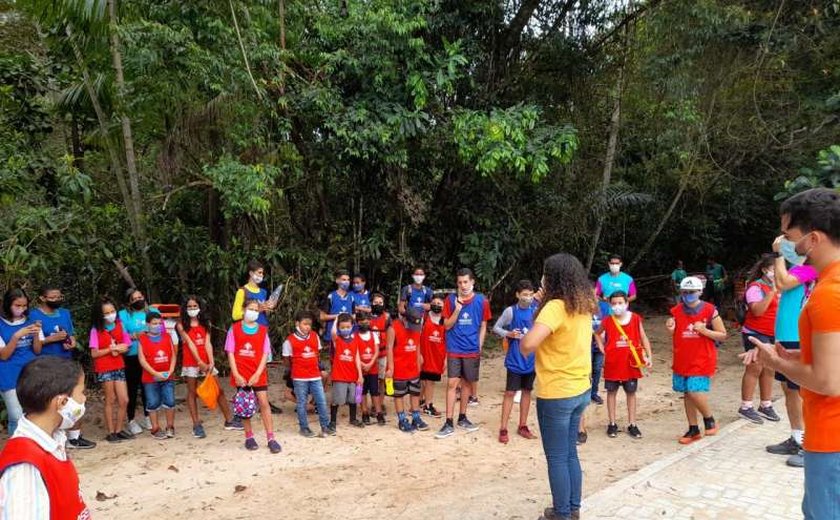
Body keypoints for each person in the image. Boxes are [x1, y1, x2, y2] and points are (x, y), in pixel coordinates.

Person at [743, 188, 840, 520]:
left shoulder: (830, 292)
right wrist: (801, 356)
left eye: (789, 236)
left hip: (832, 435)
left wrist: (776, 362)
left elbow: (829, 382)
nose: (786, 244)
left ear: (813, 239)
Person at [520, 253, 597, 520]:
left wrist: (541, 309)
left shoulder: (555, 307)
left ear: (551, 279)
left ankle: (562, 514)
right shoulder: (583, 304)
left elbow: (528, 344)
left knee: (556, 457)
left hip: (557, 391)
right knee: (570, 453)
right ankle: (572, 509)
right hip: (580, 389)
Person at [0, 356, 91, 519]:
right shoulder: (24, 468)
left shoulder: (53, 441)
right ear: (62, 402)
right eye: (81, 393)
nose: (84, 399)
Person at [764, 234, 818, 468]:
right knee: (789, 390)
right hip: (786, 337)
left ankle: (812, 445)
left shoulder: (809, 269)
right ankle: (797, 437)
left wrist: (777, 254)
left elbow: (782, 283)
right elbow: (780, 283)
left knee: (802, 393)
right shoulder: (796, 269)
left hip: (798, 337)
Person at [30, 285, 95, 450]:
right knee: (52, 402)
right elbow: (35, 344)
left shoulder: (65, 313)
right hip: (46, 364)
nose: (57, 300)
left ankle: (75, 437)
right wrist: (51, 339)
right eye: (53, 297)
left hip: (66, 360)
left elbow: (70, 334)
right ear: (42, 298)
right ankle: (52, 437)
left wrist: (71, 342)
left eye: (59, 296)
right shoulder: (34, 315)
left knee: (75, 397)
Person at [667, 276, 727, 445]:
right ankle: (693, 428)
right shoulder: (676, 311)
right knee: (687, 393)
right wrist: (671, 329)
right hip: (682, 358)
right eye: (684, 292)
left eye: (692, 292)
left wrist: (704, 330)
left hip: (702, 358)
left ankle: (709, 419)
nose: (688, 296)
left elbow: (723, 335)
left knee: (694, 390)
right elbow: (676, 333)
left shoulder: (710, 310)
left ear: (700, 292)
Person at [435, 268, 490, 439]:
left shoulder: (482, 301)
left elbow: (483, 325)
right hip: (454, 348)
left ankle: (463, 417)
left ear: (472, 282)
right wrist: (457, 309)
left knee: (467, 383)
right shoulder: (450, 300)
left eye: (466, 282)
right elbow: (446, 326)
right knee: (452, 383)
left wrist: (479, 346)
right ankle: (448, 421)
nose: (463, 285)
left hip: (471, 349)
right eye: (460, 282)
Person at [176, 296, 239, 438]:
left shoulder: (206, 323)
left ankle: (229, 420)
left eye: (195, 306)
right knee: (192, 393)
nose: (192, 309)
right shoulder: (181, 325)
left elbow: (207, 343)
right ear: (185, 309)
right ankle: (196, 424)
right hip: (191, 363)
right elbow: (190, 344)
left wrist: (211, 363)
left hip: (207, 362)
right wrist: (199, 362)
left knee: (219, 390)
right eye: (190, 307)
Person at [226, 299, 281, 454]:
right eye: (250, 309)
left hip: (258, 373)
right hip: (241, 373)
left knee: (264, 403)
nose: (253, 312)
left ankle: (271, 438)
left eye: (256, 310)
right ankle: (249, 436)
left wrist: (257, 373)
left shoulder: (263, 330)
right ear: (243, 310)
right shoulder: (234, 329)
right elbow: (230, 352)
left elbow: (265, 353)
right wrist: (236, 374)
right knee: (245, 404)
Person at [595, 291, 652, 439]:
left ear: (627, 303)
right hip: (613, 363)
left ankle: (632, 423)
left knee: (631, 393)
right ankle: (612, 423)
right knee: (611, 393)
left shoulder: (635, 319)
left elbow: (643, 337)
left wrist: (649, 355)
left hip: (630, 363)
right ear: (609, 305)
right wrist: (602, 348)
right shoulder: (607, 320)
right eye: (614, 303)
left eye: (620, 303)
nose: (617, 306)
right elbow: (597, 333)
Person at [493, 280, 539, 444]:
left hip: (531, 360)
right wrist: (509, 334)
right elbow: (496, 328)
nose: (527, 297)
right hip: (515, 360)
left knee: (527, 392)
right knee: (510, 393)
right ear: (518, 295)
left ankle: (523, 425)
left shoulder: (537, 311)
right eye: (524, 294)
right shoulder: (511, 311)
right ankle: (503, 428)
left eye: (530, 294)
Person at [738, 254, 781, 424]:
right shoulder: (755, 288)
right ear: (765, 270)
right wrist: (772, 292)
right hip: (755, 332)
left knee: (769, 369)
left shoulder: (780, 288)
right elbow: (757, 311)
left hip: (772, 333)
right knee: (754, 368)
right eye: (774, 270)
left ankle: (766, 404)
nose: (778, 273)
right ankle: (746, 406)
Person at [281, 310, 332, 437]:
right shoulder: (289, 341)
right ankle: (304, 428)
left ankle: (325, 426)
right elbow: (287, 360)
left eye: (309, 324)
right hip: (299, 377)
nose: (307, 327)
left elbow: (317, 355)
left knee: (321, 401)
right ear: (297, 324)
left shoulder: (315, 336)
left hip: (315, 375)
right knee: (302, 403)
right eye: (304, 324)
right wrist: (295, 370)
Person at [89, 296, 133, 443]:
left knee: (124, 399)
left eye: (112, 311)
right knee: (110, 399)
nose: (110, 315)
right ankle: (110, 432)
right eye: (106, 313)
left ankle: (119, 429)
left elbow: (127, 344)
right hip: (105, 368)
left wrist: (119, 349)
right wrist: (110, 349)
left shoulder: (120, 325)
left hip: (118, 365)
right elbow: (94, 353)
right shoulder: (96, 330)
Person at [0, 288, 43, 436]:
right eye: (17, 306)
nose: (22, 309)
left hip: (31, 371)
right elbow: (4, 356)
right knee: (16, 416)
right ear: (7, 304)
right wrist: (16, 336)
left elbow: (37, 350)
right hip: (9, 374)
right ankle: (16, 449)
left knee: (34, 413)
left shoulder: (30, 321)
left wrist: (37, 334)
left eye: (24, 306)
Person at [386, 306, 429, 433]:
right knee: (399, 394)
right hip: (399, 366)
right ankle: (402, 419)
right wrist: (391, 367)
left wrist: (419, 358)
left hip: (412, 365)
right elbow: (389, 348)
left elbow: (417, 344)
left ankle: (416, 417)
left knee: (415, 392)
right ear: (404, 318)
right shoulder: (393, 328)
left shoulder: (417, 326)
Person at [138, 311, 178, 439]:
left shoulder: (167, 336)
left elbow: (173, 355)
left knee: (170, 400)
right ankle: (155, 428)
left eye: (159, 323)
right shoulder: (143, 339)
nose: (157, 326)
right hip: (150, 378)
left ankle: (170, 426)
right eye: (154, 323)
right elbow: (142, 360)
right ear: (148, 324)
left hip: (167, 376)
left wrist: (171, 370)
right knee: (153, 402)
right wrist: (155, 373)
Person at [118, 288, 152, 434]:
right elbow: (121, 333)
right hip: (131, 355)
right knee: (132, 389)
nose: (138, 300)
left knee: (147, 388)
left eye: (140, 297)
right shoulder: (123, 315)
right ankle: (131, 419)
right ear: (129, 302)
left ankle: (148, 416)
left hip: (149, 354)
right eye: (134, 299)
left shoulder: (149, 311)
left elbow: (159, 327)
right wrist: (135, 335)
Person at [329, 313, 365, 430]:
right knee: (337, 399)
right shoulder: (337, 339)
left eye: (348, 327)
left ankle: (353, 419)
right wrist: (336, 319)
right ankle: (333, 421)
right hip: (339, 375)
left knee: (353, 398)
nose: (345, 329)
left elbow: (357, 357)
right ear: (339, 327)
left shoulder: (355, 340)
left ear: (352, 326)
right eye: (342, 327)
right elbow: (333, 332)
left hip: (353, 375)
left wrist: (360, 375)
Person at [420, 294, 446, 418]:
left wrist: (445, 358)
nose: (436, 305)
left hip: (437, 356)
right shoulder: (424, 318)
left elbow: (448, 340)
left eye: (439, 303)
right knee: (424, 381)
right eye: (434, 303)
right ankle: (426, 405)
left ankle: (426, 403)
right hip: (424, 354)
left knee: (430, 382)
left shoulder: (445, 320)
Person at [356, 311, 384, 425]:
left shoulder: (374, 335)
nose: (365, 324)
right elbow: (355, 352)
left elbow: (376, 352)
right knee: (361, 392)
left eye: (367, 322)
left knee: (374, 391)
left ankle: (379, 413)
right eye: (362, 322)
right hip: (360, 369)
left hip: (372, 368)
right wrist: (362, 364)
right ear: (358, 322)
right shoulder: (355, 336)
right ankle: (364, 412)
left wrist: (370, 364)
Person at [231, 260, 277, 327]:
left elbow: (266, 314)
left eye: (263, 273)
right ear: (251, 273)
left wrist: (269, 307)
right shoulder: (242, 291)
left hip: (263, 328)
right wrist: (255, 310)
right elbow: (235, 315)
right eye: (259, 272)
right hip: (248, 329)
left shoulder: (263, 292)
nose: (262, 275)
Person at [319, 269, 355, 345]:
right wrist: (338, 316)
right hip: (333, 334)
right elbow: (322, 316)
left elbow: (354, 316)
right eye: (344, 280)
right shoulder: (331, 296)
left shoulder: (351, 297)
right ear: (337, 281)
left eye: (348, 280)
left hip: (348, 335)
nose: (346, 282)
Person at [370, 292, 391, 416]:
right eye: (375, 303)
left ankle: (380, 404)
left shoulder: (387, 318)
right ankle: (361, 404)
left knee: (381, 380)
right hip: (368, 355)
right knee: (366, 380)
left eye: (380, 303)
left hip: (383, 354)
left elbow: (390, 337)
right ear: (371, 303)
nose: (378, 305)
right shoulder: (366, 317)